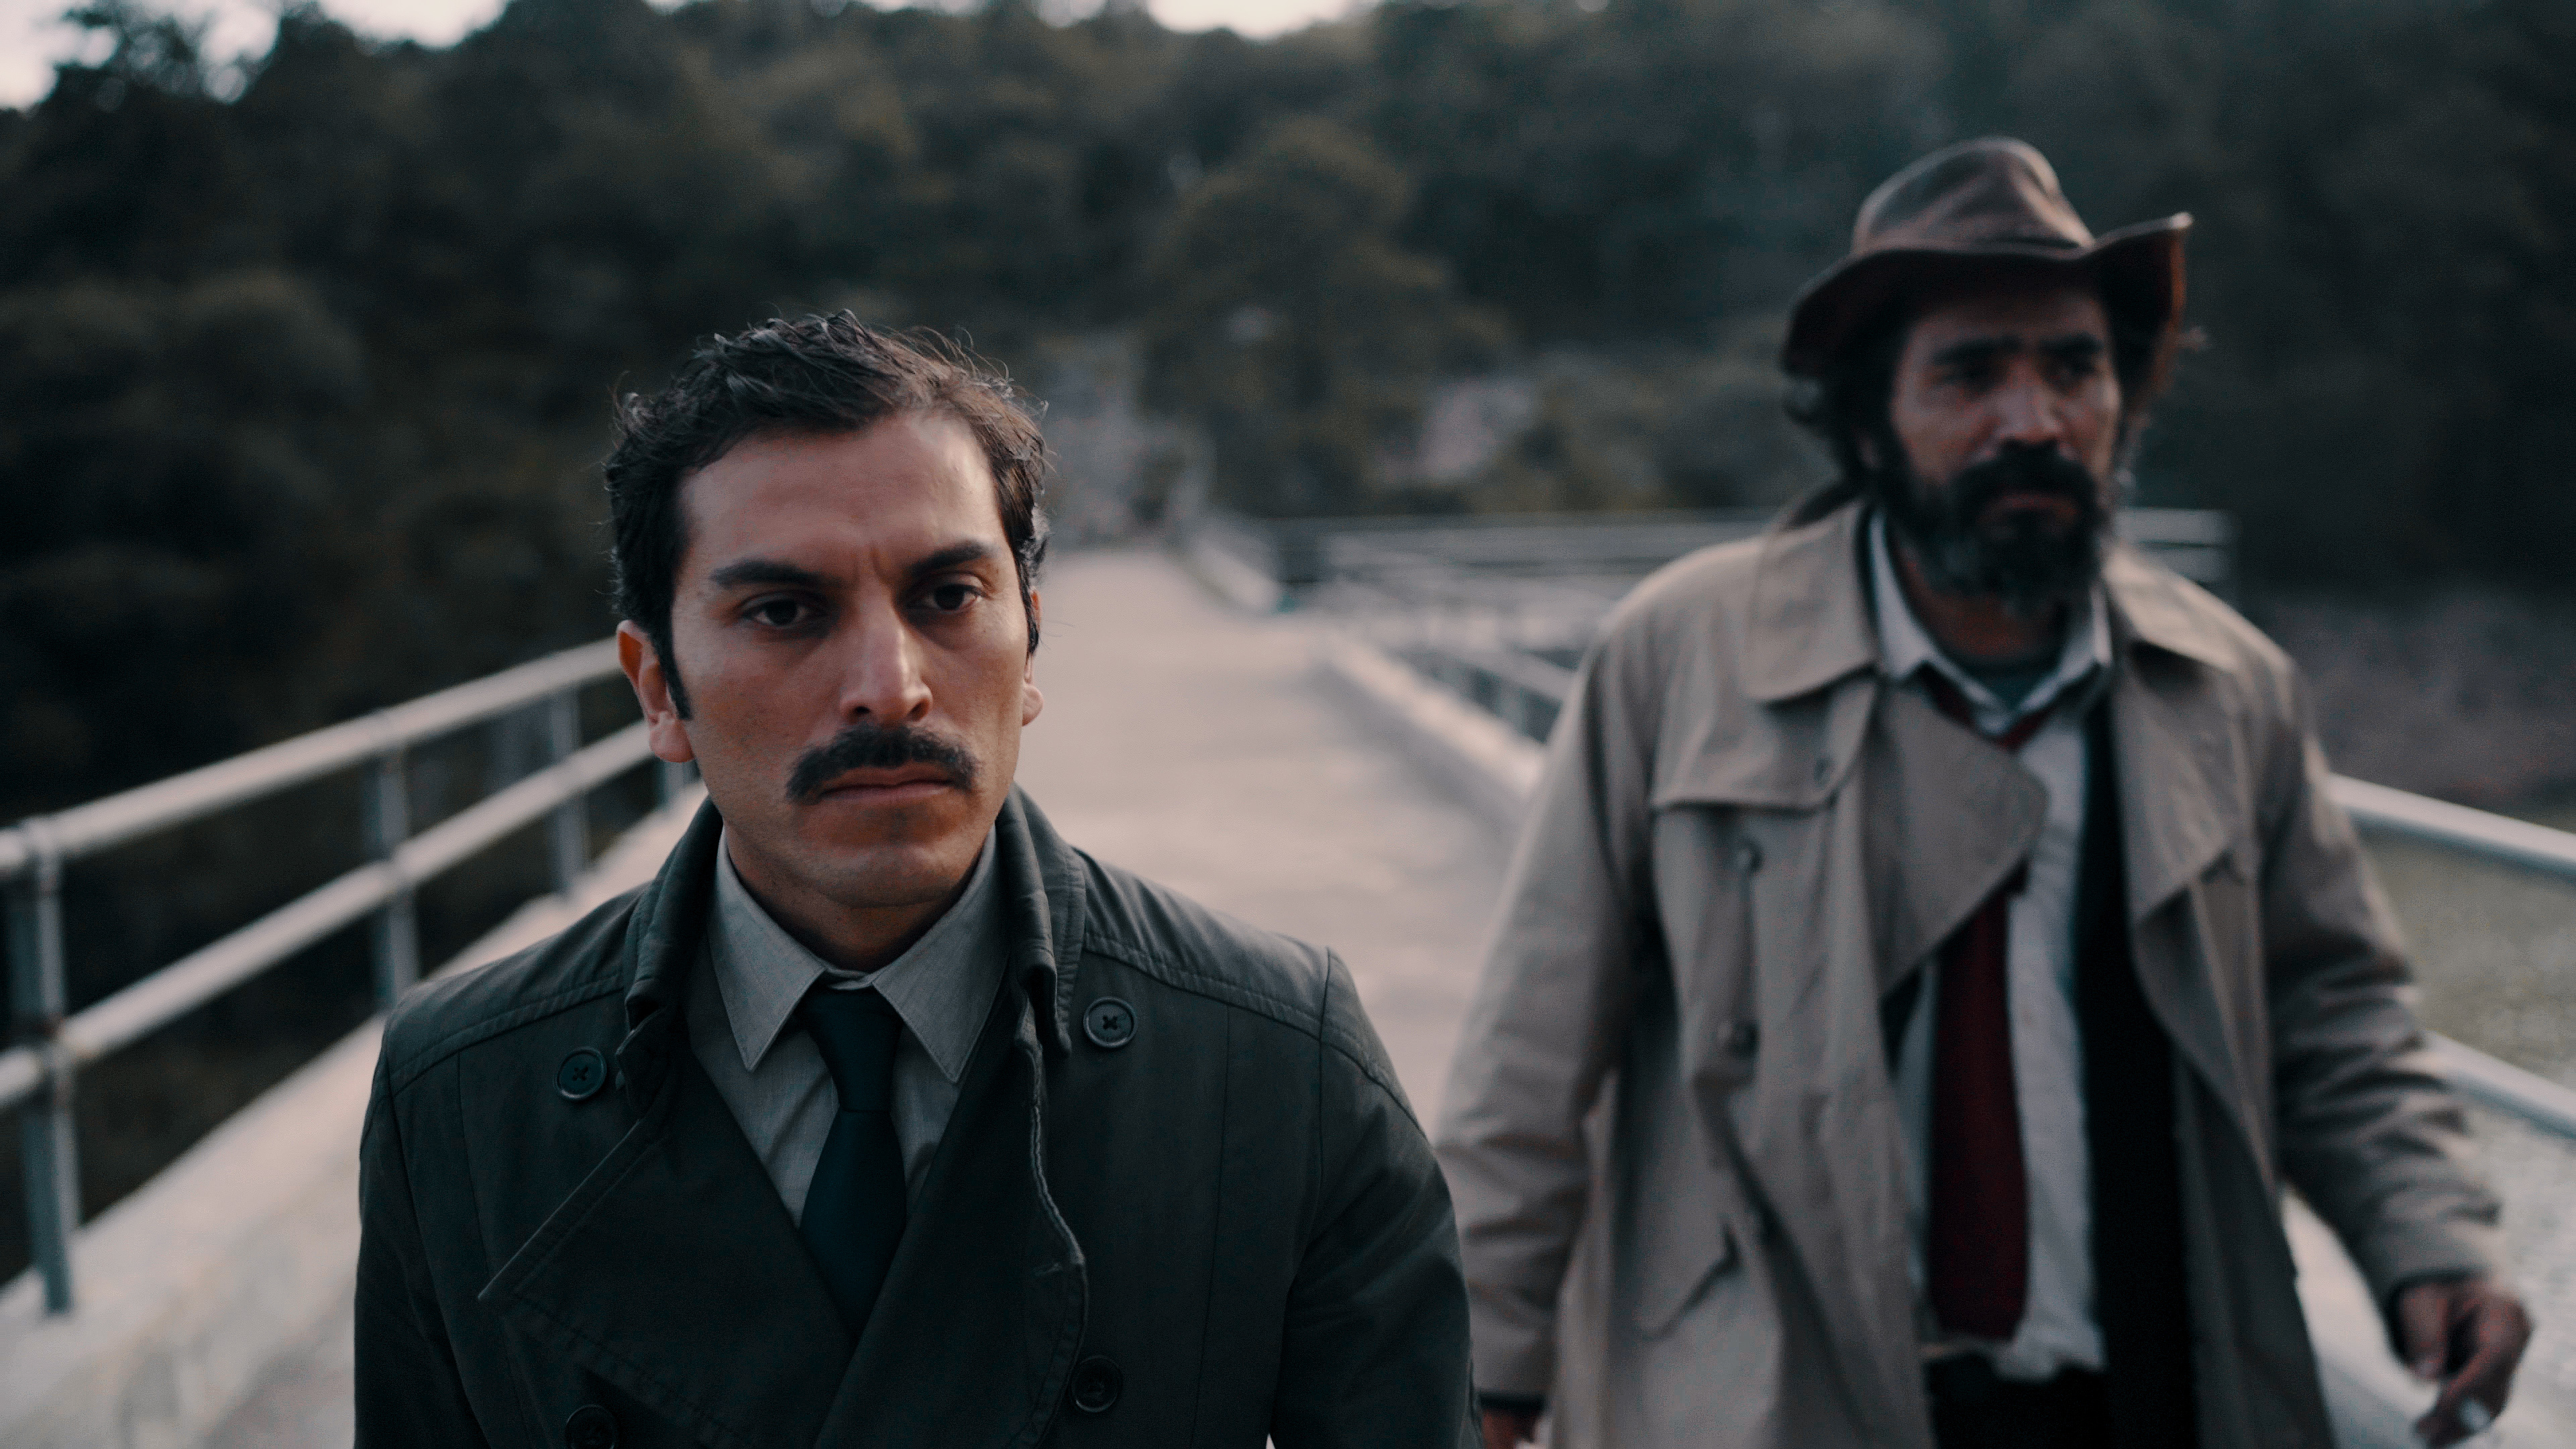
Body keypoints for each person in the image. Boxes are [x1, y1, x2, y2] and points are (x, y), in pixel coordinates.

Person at [1437, 138, 2531, 1449]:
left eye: (2073, 368)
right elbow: (1531, 1056)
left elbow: (2332, 1014)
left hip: (2146, 1397)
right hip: (1776, 1399)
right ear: (1866, 420)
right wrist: (1481, 1380)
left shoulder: (2229, 690)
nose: (2033, 422)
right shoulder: (1681, 660)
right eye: (1969, 375)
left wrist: (2433, 1240)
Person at [354, 315, 1477, 1448]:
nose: (890, 689)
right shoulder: (461, 1097)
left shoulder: (1277, 1067)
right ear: (658, 689)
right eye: (784, 612)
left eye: (946, 597)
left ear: (1029, 645)